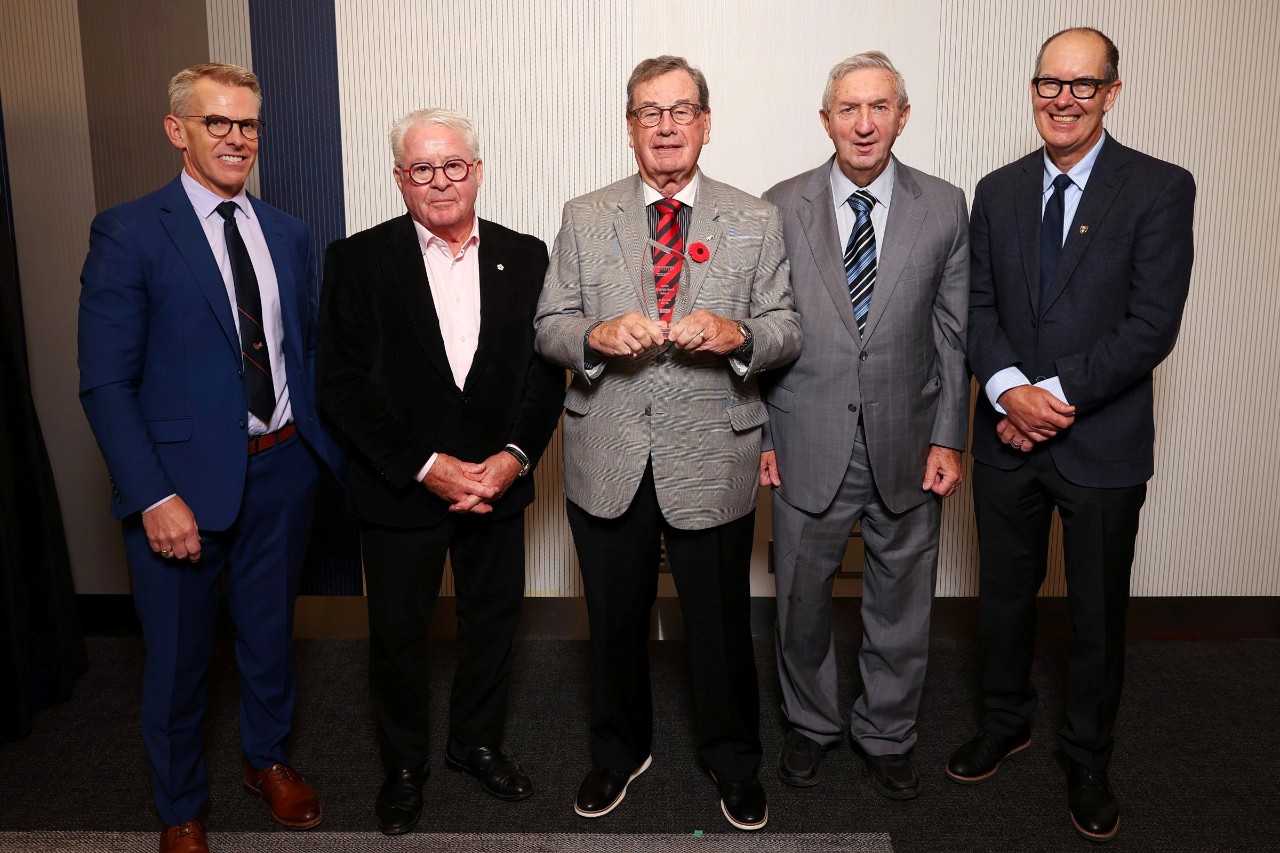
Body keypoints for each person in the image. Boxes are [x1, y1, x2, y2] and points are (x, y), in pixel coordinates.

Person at [78, 62, 343, 853]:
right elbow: (104, 383)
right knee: (178, 662)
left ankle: (267, 760)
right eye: (217, 122)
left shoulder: (289, 233)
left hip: (284, 471)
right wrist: (152, 495)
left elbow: (305, 351)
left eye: (248, 124)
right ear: (177, 130)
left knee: (269, 641)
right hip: (180, 490)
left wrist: (318, 458)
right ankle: (181, 806)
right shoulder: (129, 231)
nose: (236, 138)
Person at [534, 55, 802, 832]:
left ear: (706, 124)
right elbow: (548, 326)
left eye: (681, 110)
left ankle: (733, 758)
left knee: (719, 624)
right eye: (649, 112)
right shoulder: (585, 215)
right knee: (614, 618)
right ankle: (618, 752)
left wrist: (737, 332)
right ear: (629, 126)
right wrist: (592, 331)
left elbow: (786, 327)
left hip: (712, 452)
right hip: (608, 452)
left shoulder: (754, 217)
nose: (665, 126)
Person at [946, 27, 1196, 843]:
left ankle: (1089, 757)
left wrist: (1047, 397)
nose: (1063, 99)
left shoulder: (1160, 187)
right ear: (1033, 90)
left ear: (1112, 94)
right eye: (1050, 83)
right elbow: (977, 309)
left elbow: (1151, 325)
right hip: (1004, 441)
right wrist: (1008, 391)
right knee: (1006, 600)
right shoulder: (998, 188)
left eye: (1082, 86)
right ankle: (1006, 721)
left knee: (1095, 614)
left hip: (1100, 446)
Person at [316, 108, 564, 835]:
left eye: (453, 164)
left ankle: (475, 743)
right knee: (398, 635)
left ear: (477, 170)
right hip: (401, 489)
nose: (440, 180)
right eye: (422, 168)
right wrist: (423, 465)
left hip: (496, 487)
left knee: (493, 625)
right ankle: (402, 765)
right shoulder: (356, 260)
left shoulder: (526, 255)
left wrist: (513, 459)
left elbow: (543, 376)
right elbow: (340, 385)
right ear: (399, 180)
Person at [760, 51, 969, 800]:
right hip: (805, 438)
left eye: (880, 107)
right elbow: (762, 330)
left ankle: (887, 733)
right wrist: (763, 437)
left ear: (902, 118)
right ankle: (812, 724)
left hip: (909, 444)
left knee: (901, 601)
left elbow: (953, 333)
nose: (864, 122)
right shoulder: (779, 205)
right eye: (848, 108)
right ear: (826, 120)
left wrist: (950, 435)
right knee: (802, 599)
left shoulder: (944, 206)